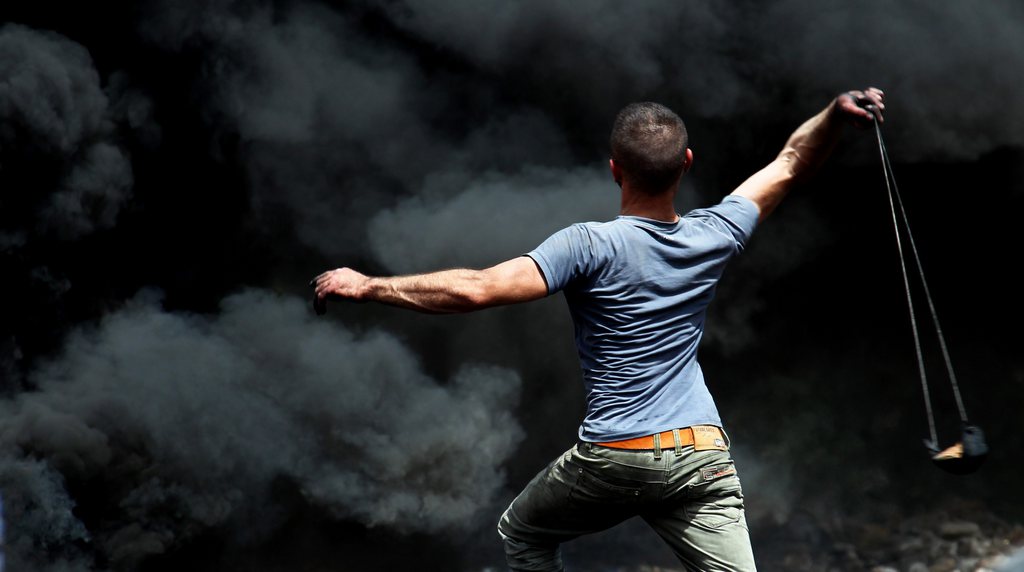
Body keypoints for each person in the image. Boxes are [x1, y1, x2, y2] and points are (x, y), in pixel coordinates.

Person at [311, 87, 885, 571]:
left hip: (617, 454)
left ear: (613, 169)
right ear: (687, 164)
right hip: (701, 457)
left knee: (524, 534)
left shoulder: (587, 243)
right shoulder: (716, 233)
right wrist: (836, 112)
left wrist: (370, 286)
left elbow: (478, 289)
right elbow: (791, 161)